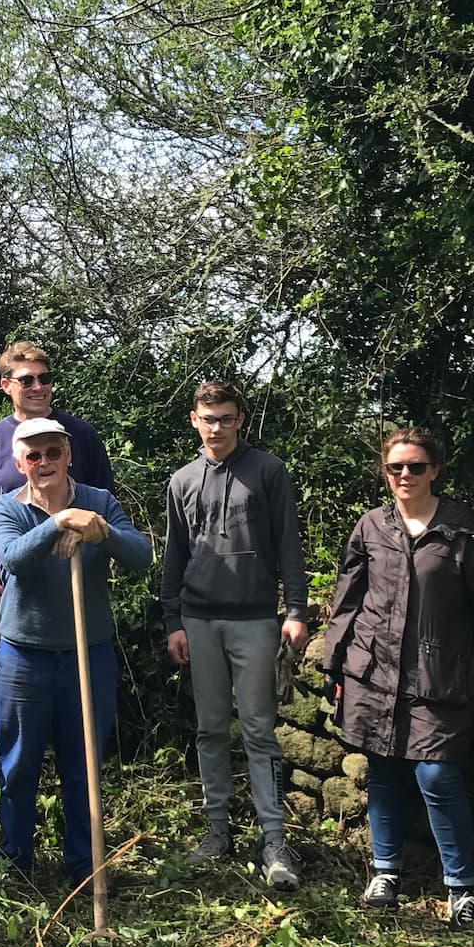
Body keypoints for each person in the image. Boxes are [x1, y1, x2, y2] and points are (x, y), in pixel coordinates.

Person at [321, 427, 474, 929]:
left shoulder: (465, 531)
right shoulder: (370, 527)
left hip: (440, 676)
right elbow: (346, 602)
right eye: (395, 468)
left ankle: (462, 888)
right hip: (373, 672)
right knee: (384, 770)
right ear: (384, 472)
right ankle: (385, 871)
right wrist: (335, 664)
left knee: (437, 774)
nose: (404, 476)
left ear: (435, 470)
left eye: (415, 466)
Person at [0, 417, 153, 885]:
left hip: (88, 653)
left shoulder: (99, 504)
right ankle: (16, 865)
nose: (44, 463)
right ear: (20, 463)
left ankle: (84, 868)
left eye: (53, 453)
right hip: (24, 658)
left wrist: (101, 532)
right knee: (18, 767)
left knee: (83, 769)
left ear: (69, 455)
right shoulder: (7, 508)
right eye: (33, 456)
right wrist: (59, 522)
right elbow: (14, 559)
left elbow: (141, 557)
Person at [160, 380, 309, 890]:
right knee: (209, 728)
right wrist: (172, 621)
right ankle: (216, 829)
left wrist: (295, 609)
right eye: (208, 418)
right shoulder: (181, 480)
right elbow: (174, 555)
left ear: (240, 419)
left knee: (259, 731)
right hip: (199, 620)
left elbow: (289, 543)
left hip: (255, 620)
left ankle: (274, 840)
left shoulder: (268, 471)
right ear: (194, 421)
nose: (217, 427)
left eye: (225, 418)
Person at [0, 343, 114, 608]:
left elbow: (108, 508)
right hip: (11, 592)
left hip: (78, 584)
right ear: (5, 385)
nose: (38, 387)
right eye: (26, 380)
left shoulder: (82, 436)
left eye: (44, 378)